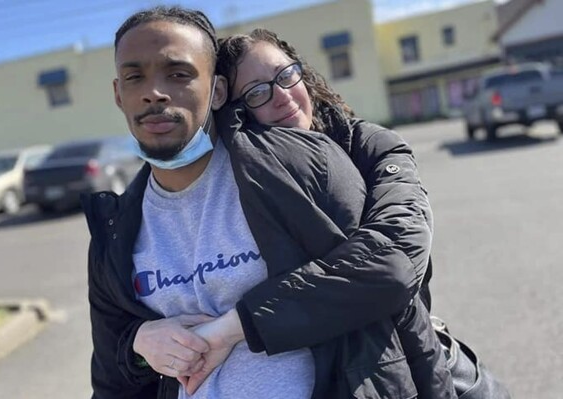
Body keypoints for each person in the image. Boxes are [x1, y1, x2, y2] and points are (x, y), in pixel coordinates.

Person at [83, 6, 454, 399]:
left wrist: (236, 326)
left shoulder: (324, 163)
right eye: (257, 92)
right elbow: (114, 377)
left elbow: (388, 275)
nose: (153, 92)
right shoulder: (114, 230)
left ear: (216, 91)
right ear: (118, 93)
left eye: (178, 73)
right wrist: (139, 344)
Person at [215, 28, 453, 397]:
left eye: (285, 74)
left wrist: (241, 324)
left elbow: (395, 259)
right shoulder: (239, 185)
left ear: (303, 74)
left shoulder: (373, 147)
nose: (282, 96)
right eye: (258, 92)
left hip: (410, 362)